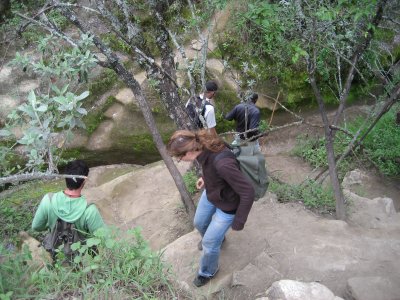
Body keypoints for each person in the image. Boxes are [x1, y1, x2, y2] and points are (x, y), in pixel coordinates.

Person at [167, 130, 255, 287]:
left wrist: (239, 221)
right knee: (199, 223)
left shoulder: (223, 163)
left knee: (208, 244)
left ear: (191, 150)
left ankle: (208, 271)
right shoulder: (203, 147)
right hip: (212, 193)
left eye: (180, 156)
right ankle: (218, 240)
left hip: (228, 204)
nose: (180, 159)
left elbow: (248, 191)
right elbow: (212, 169)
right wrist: (205, 179)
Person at [32, 160, 105, 238]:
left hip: (55, 249)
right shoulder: (89, 210)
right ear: (84, 180)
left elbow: (36, 227)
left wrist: (51, 227)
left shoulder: (48, 199)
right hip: (81, 249)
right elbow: (104, 237)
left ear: (65, 178)